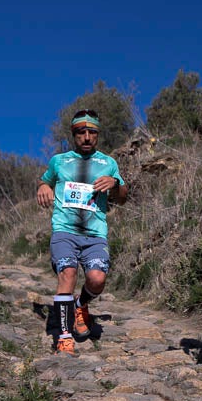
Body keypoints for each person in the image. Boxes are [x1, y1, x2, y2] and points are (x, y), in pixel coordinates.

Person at [37, 109, 128, 354]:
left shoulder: (108, 163)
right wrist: (44, 186)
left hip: (95, 233)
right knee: (67, 273)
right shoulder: (59, 160)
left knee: (97, 280)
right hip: (64, 230)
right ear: (73, 135)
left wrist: (116, 183)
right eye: (81, 132)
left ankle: (81, 305)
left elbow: (122, 198)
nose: (87, 137)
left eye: (92, 132)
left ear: (98, 134)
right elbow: (44, 179)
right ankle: (64, 336)